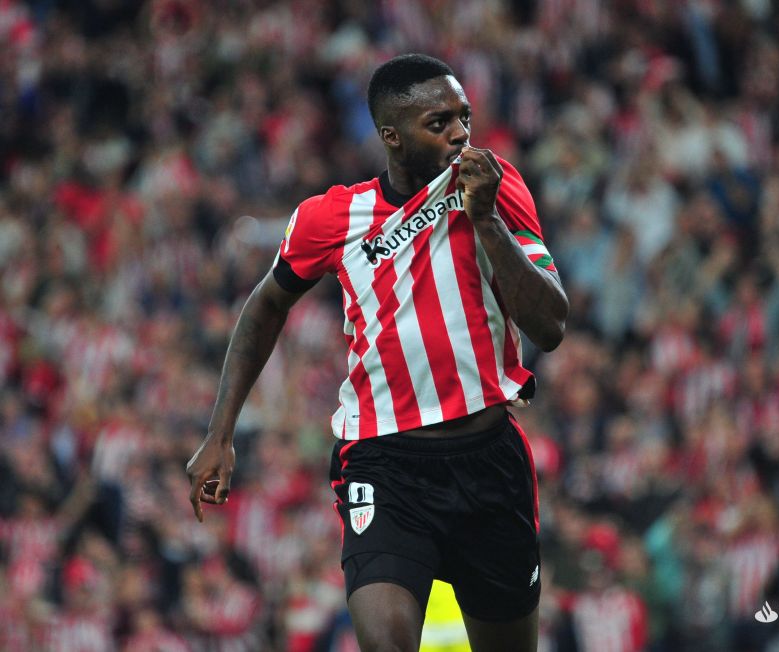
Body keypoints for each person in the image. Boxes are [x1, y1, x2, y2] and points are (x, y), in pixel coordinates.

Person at [186, 53, 568, 652]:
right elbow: (264, 307)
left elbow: (550, 326)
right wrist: (220, 433)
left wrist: (487, 220)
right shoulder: (332, 218)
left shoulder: (498, 184)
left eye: (463, 117)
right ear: (392, 135)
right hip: (384, 464)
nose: (460, 133)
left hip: (489, 459)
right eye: (438, 122)